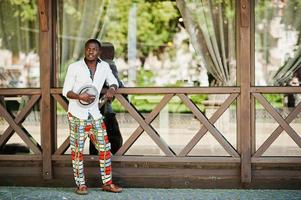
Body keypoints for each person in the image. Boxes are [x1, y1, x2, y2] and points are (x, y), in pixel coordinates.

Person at [62, 39, 122, 194]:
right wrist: (79, 97)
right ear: (85, 50)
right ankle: (80, 185)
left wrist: (112, 89)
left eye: (94, 49)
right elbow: (66, 91)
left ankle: (107, 183)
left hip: (95, 115)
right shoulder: (74, 67)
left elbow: (113, 81)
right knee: (77, 151)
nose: (91, 51)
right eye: (88, 49)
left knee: (105, 148)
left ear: (99, 52)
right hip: (77, 115)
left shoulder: (104, 66)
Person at [89, 42, 124, 155]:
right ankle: (114, 156)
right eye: (110, 51)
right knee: (113, 134)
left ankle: (95, 156)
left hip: (94, 104)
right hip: (103, 104)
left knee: (96, 132)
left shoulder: (94, 64)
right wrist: (123, 90)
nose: (112, 54)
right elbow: (115, 81)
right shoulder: (108, 64)